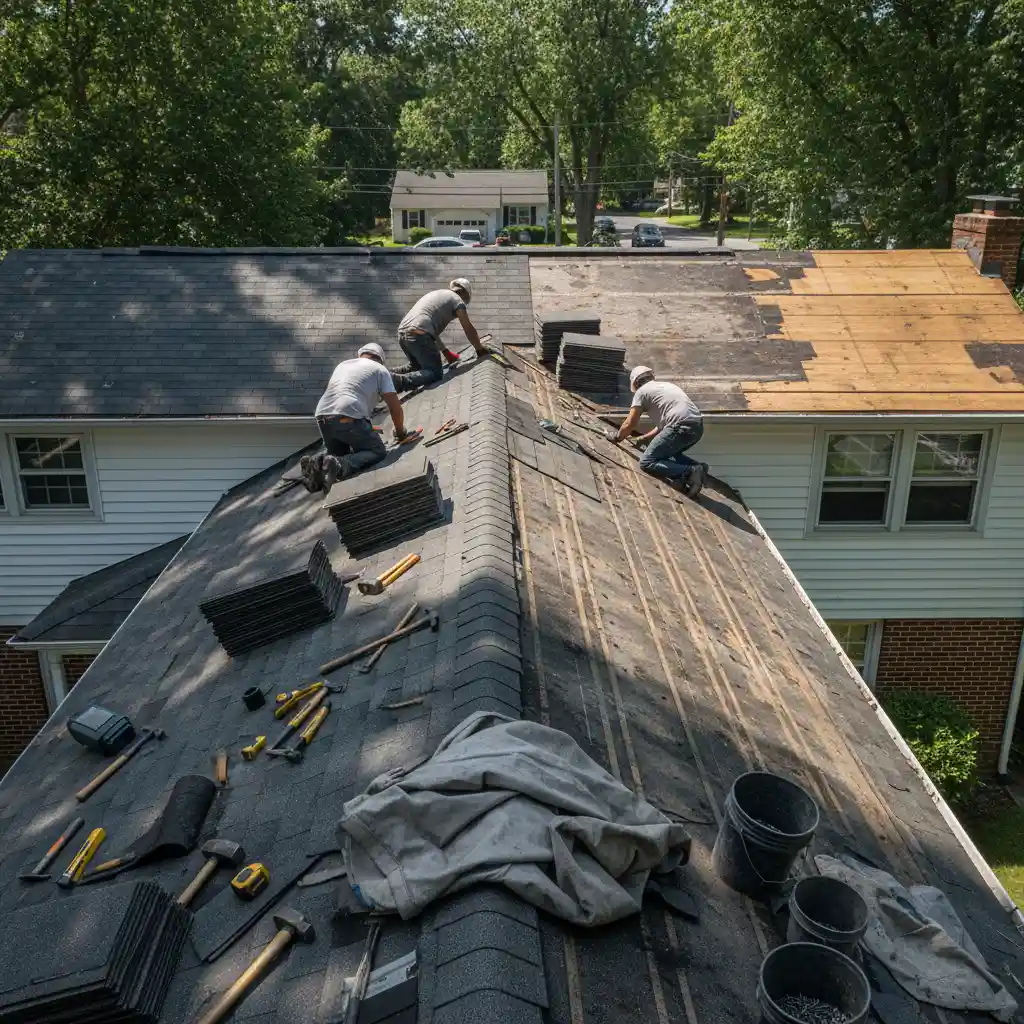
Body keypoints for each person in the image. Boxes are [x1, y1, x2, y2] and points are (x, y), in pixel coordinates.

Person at [309, 343, 406, 487]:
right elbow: (395, 407)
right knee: (377, 451)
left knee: (335, 458)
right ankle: (340, 464)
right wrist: (400, 433)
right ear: (380, 359)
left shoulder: (343, 365)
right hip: (347, 416)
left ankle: (318, 463)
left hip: (322, 416)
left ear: (361, 355)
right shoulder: (380, 370)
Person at [608, 365, 708, 498]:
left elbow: (630, 423)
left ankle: (690, 471)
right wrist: (643, 438)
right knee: (672, 453)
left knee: (647, 462)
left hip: (680, 427)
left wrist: (617, 437)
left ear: (636, 384)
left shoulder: (641, 392)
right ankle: (698, 467)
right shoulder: (665, 386)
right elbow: (663, 427)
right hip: (696, 426)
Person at [392, 278, 490, 392]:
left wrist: (446, 352)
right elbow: (467, 327)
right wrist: (479, 348)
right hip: (419, 332)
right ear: (463, 293)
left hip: (403, 332)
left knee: (417, 367)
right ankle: (397, 382)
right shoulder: (457, 300)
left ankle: (383, 375)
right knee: (435, 373)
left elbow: (432, 332)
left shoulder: (439, 294)